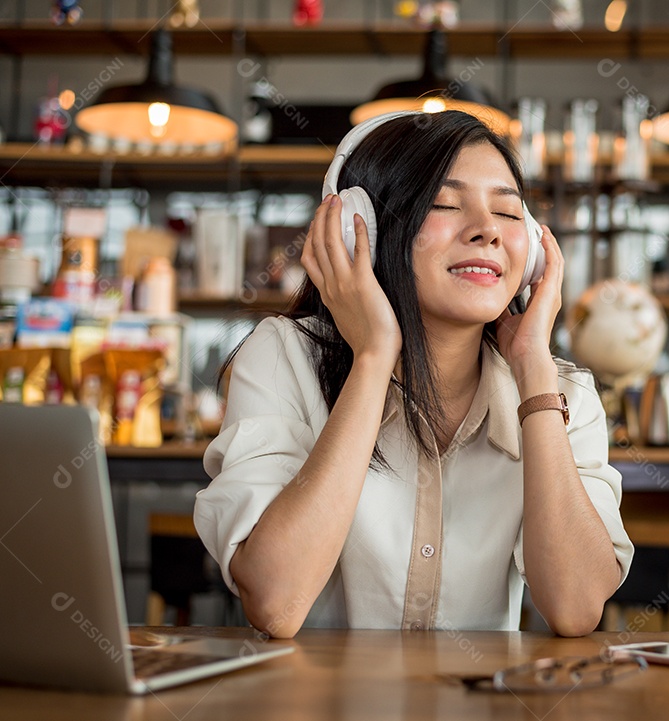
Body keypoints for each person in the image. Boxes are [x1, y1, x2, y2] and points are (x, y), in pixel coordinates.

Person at [194, 110, 634, 638]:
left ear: (536, 252)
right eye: (444, 204)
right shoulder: (283, 357)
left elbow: (575, 608)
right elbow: (275, 602)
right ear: (362, 232)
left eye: (509, 213)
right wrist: (374, 357)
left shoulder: (562, 394)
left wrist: (535, 368)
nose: (488, 232)